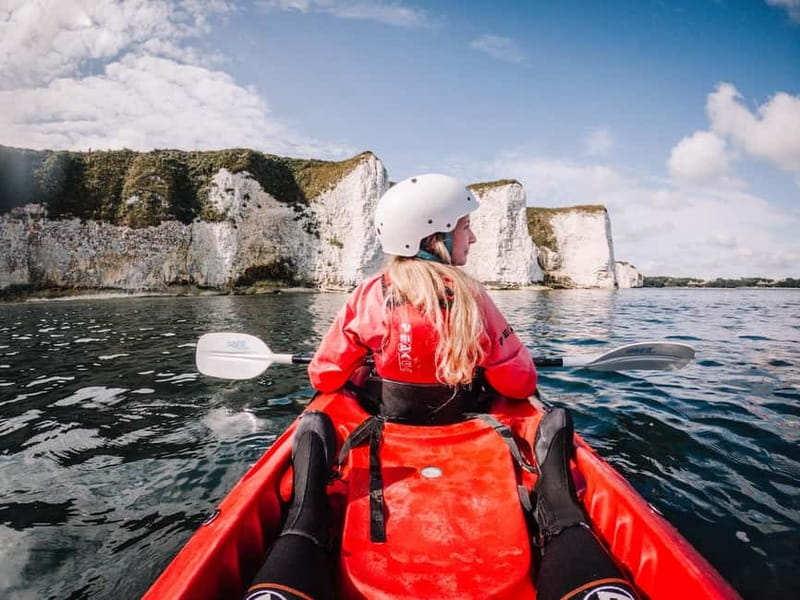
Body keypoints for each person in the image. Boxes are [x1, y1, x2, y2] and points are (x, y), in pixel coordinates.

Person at [245, 174, 637, 600]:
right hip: (465, 424)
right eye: (465, 227)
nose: (473, 237)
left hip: (388, 426)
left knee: (316, 419)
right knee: (552, 417)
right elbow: (521, 382)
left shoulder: (368, 295)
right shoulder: (472, 297)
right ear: (436, 237)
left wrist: (364, 362)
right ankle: (561, 519)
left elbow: (323, 378)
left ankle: (304, 524)